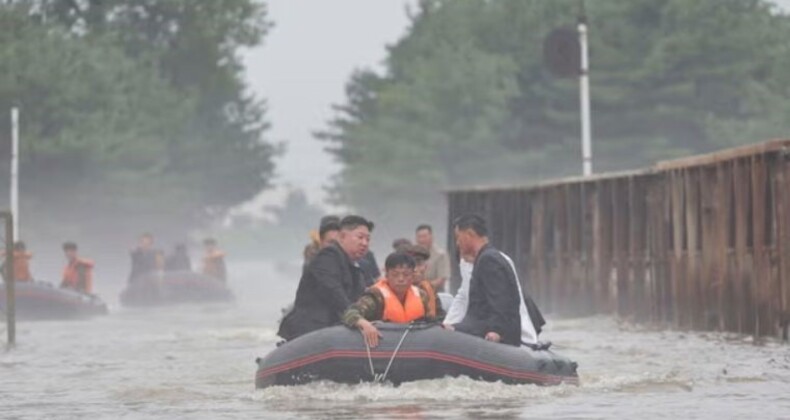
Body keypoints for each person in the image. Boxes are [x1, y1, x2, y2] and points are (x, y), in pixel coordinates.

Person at [447, 214, 545, 347]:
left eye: (458, 238)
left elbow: (501, 301)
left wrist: (497, 331)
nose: (457, 243)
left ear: (469, 234)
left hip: (498, 336)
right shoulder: (484, 258)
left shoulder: (489, 260)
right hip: (478, 327)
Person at [278, 215, 373, 341]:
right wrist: (356, 319)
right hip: (310, 331)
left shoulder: (356, 268)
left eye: (368, 239)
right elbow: (333, 291)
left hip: (336, 331)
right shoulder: (328, 256)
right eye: (360, 237)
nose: (364, 243)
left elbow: (362, 297)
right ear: (342, 236)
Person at [343, 252, 435, 348]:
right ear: (386, 275)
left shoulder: (421, 295)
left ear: (413, 275)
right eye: (395, 274)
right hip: (383, 346)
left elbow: (432, 321)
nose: (401, 279)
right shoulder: (377, 296)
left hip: (414, 345)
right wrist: (364, 324)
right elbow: (350, 313)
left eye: (406, 275)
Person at [404, 244, 445, 320]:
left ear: (425, 267)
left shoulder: (430, 288)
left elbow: (440, 314)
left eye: (419, 264)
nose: (415, 269)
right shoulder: (400, 289)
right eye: (411, 265)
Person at [415, 224, 451, 291]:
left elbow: (441, 280)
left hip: (435, 293)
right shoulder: (411, 254)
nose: (422, 240)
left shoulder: (440, 255)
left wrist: (423, 287)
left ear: (431, 237)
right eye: (419, 237)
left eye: (424, 236)